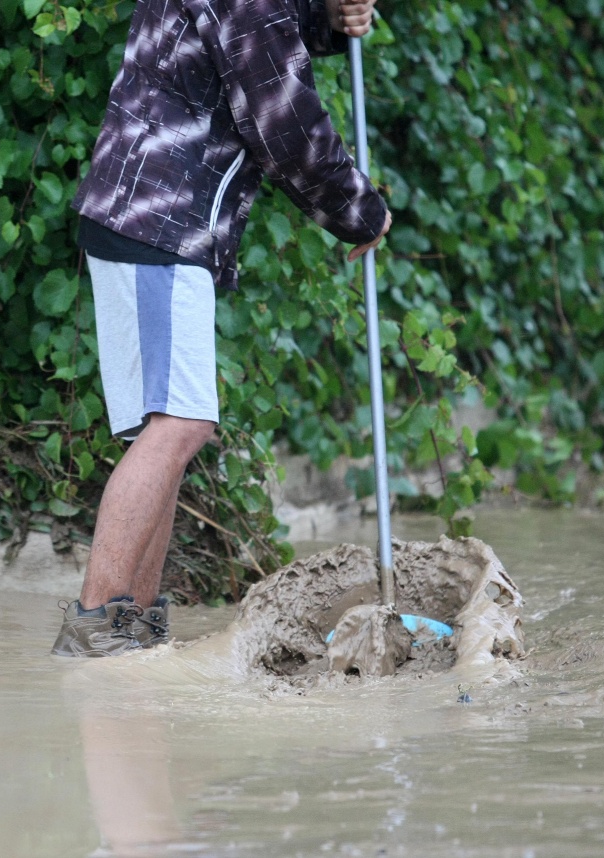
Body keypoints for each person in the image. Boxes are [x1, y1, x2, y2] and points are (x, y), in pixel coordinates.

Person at [51, 0, 393, 657]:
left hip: (142, 217)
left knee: (169, 427)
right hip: (159, 220)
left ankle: (134, 638)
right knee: (181, 425)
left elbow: (249, 39)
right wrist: (358, 209)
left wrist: (325, 20)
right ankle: (93, 634)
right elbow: (281, 117)